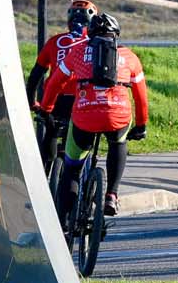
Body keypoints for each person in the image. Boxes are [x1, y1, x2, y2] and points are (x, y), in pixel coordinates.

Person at [39, 12, 148, 219]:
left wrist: (46, 109)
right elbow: (141, 96)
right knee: (118, 142)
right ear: (116, 35)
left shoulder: (78, 51)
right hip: (117, 115)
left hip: (84, 116)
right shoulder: (130, 57)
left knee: (72, 168)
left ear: (90, 34)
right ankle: (111, 195)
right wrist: (141, 125)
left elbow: (55, 82)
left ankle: (63, 224)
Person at [27, 0, 98, 177]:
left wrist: (32, 101)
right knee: (74, 139)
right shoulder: (95, 43)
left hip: (54, 99)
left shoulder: (54, 42)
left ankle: (43, 174)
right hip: (81, 100)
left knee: (51, 131)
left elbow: (36, 75)